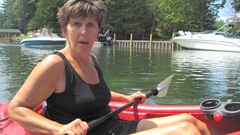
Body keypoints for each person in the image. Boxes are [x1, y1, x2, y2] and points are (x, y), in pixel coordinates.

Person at [8, 0, 224, 135]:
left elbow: (92, 93)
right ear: (65, 29)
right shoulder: (55, 64)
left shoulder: (91, 59)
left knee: (189, 120)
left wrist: (125, 97)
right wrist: (59, 129)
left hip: (115, 125)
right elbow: (16, 109)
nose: (84, 31)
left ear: (97, 31)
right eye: (76, 24)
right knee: (186, 131)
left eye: (90, 25)